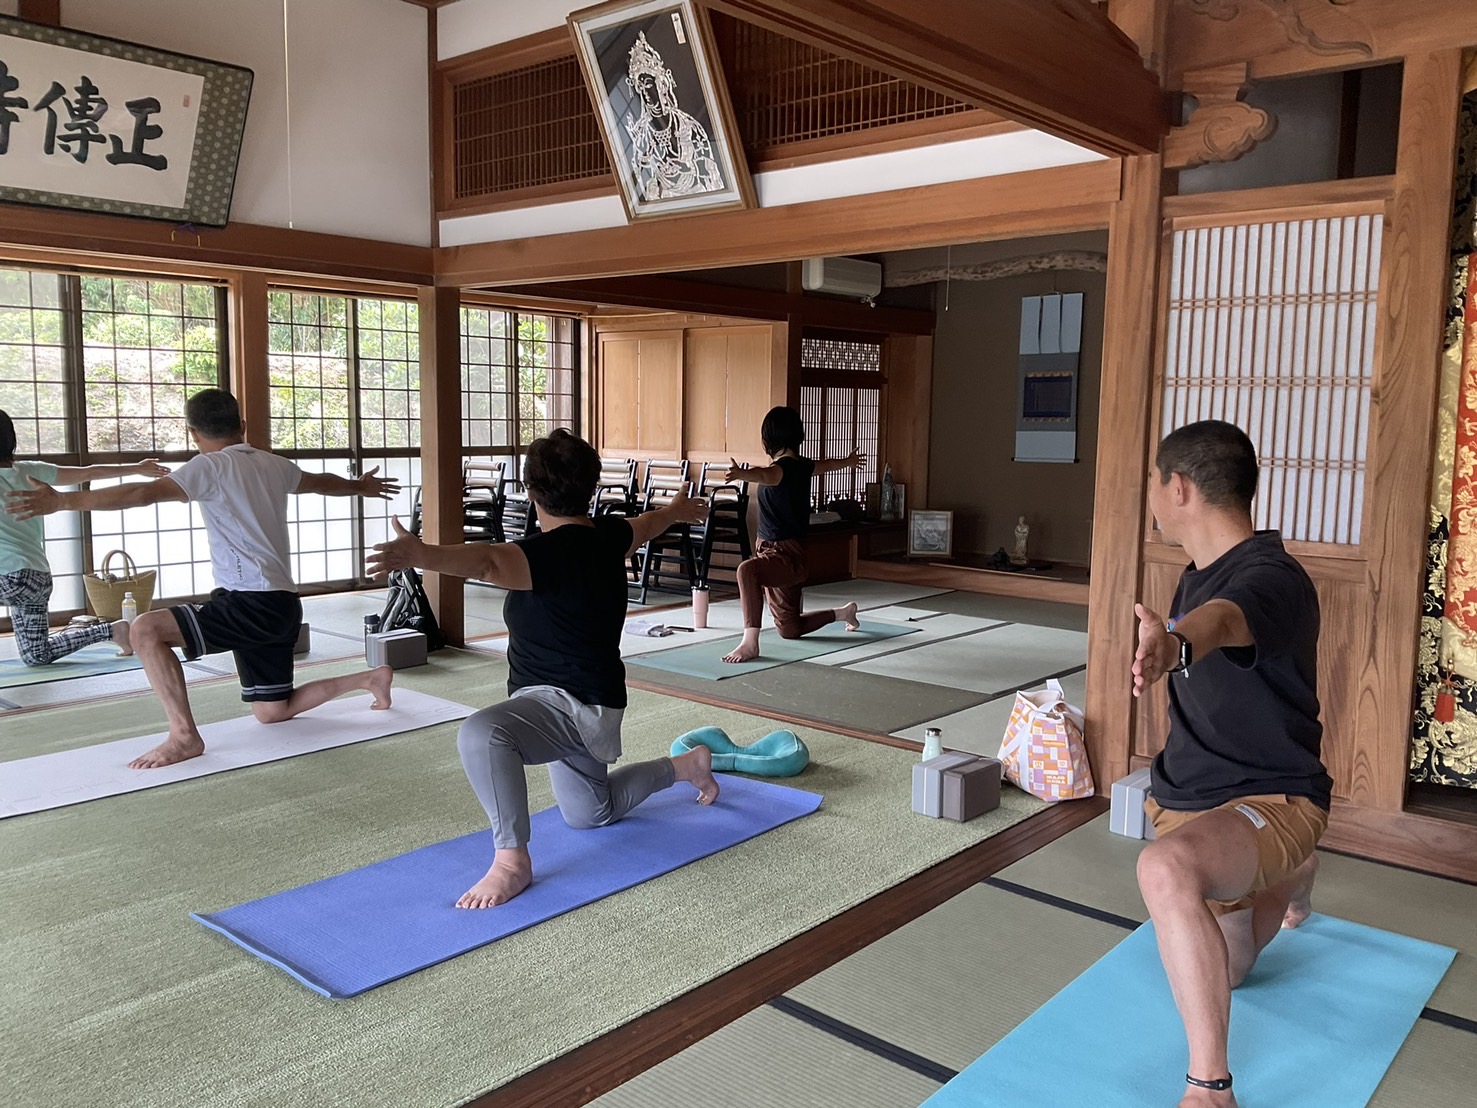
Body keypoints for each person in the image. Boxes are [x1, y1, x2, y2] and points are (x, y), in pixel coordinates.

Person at [367, 428, 721, 910]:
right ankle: (686, 765)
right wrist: (676, 512)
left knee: (483, 734)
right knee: (591, 813)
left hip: (566, 707)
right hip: (592, 704)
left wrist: (421, 554)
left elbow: (489, 562)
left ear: (531, 492)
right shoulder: (607, 537)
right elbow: (647, 523)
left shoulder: (545, 555)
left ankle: (511, 862)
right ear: (590, 488)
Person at [6, 388, 399, 770]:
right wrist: (359, 487)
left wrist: (63, 501)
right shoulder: (273, 463)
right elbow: (320, 482)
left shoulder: (209, 466)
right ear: (242, 424)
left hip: (250, 601)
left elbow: (144, 495)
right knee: (272, 711)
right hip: (281, 605)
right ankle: (369, 678)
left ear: (192, 433)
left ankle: (183, 736)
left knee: (145, 630)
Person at [1130, 420, 1331, 1108]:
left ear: (1176, 487)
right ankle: (1292, 878)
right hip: (1193, 807)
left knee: (1163, 871)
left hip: (1273, 803)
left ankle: (1208, 1088)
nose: (1151, 496)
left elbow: (1222, 621)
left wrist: (1175, 645)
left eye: (1153, 483)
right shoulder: (1193, 576)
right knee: (1232, 973)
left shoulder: (1269, 578)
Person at [0, 408, 169, 665]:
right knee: (37, 655)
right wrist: (137, 468)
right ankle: (113, 630)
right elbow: (89, 472)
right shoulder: (30, 471)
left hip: (10, 578)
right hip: (36, 580)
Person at [720, 405, 863, 664]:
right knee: (790, 629)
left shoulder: (782, 469)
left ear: (769, 439)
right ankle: (843, 613)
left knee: (746, 571)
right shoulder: (801, 466)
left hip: (784, 556)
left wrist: (743, 474)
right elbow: (826, 465)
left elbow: (765, 474)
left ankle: (749, 643)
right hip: (783, 556)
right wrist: (848, 462)